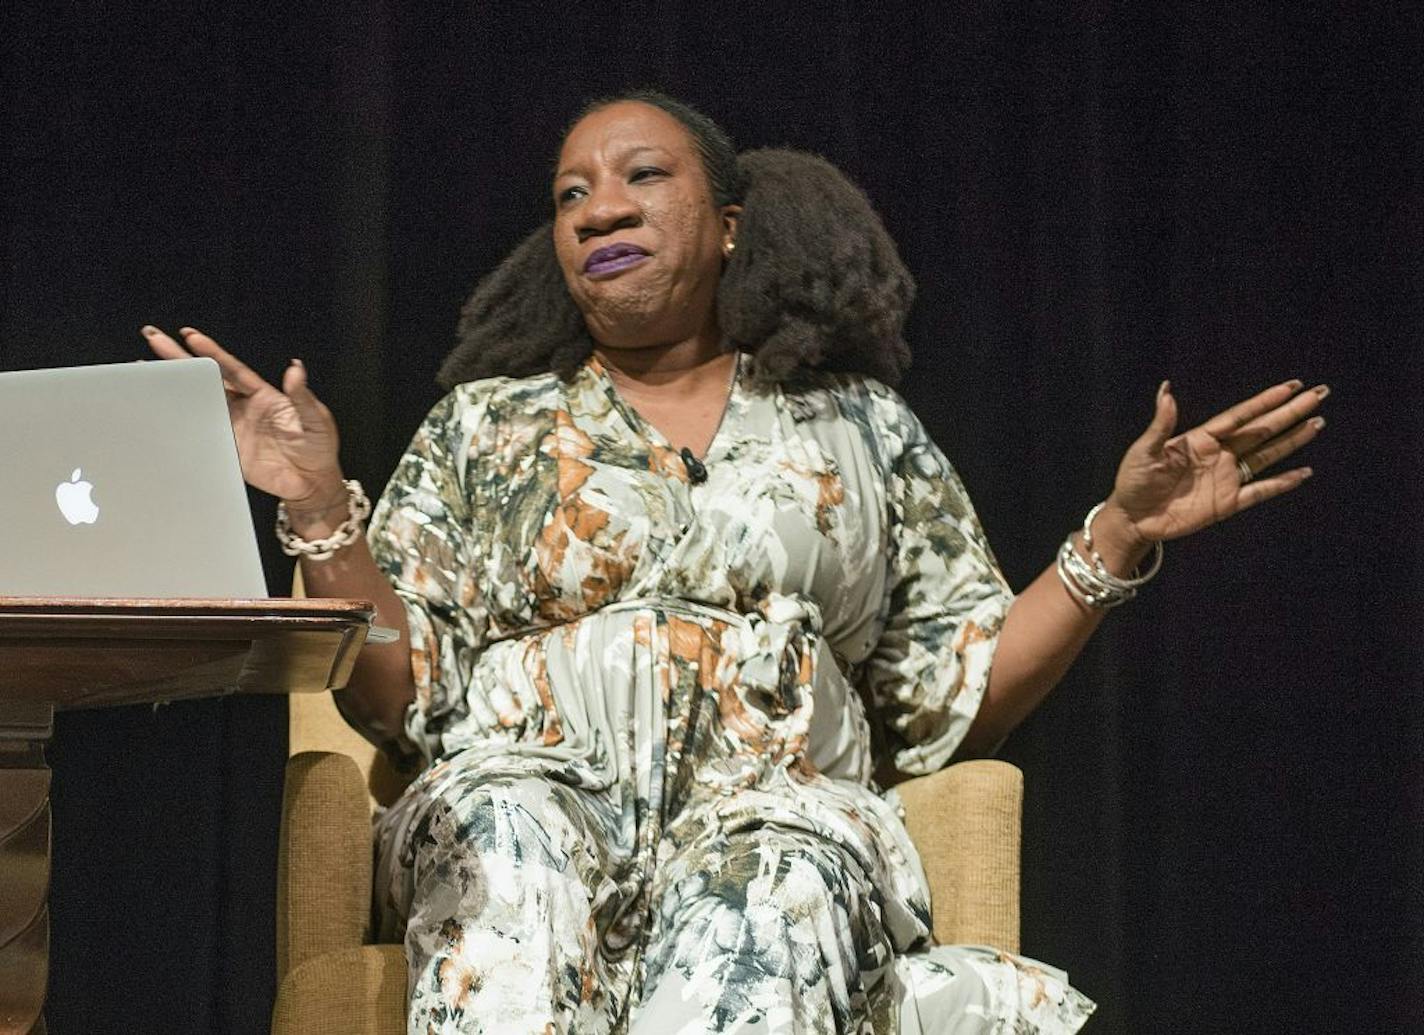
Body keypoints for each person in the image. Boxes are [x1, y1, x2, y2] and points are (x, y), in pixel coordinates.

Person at [144, 91, 1326, 1034]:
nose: (597, 209)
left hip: (774, 810)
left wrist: (1113, 537)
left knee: (778, 879)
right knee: (506, 831)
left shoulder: (853, 427)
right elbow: (391, 695)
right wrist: (315, 508)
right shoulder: (484, 428)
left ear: (728, 226)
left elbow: (950, 695)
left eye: (639, 177)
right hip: (523, 795)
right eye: (570, 195)